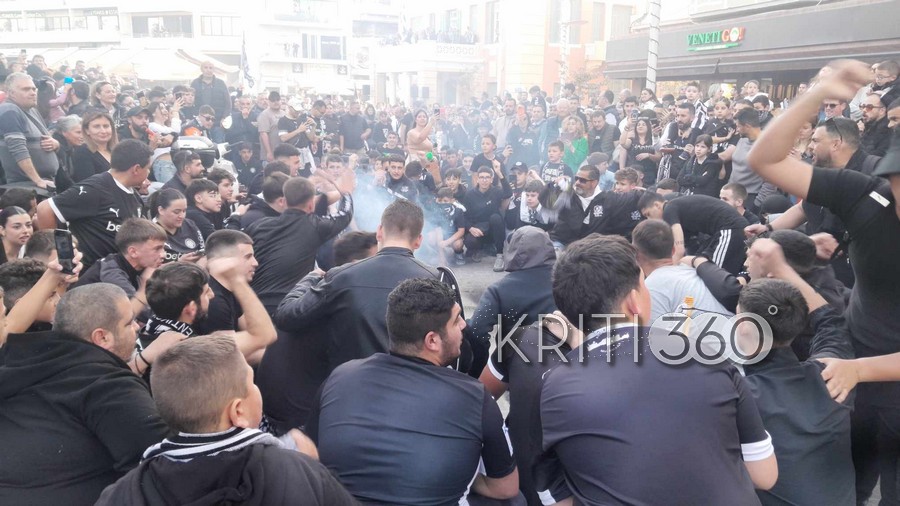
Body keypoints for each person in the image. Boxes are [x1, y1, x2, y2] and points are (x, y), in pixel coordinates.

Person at [745, 60, 900, 505]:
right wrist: (817, 94)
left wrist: (861, 370)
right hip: (851, 367)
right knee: (848, 482)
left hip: (872, 377)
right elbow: (766, 159)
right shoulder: (869, 196)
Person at [534, 235, 777, 505]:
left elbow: (556, 493)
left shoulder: (557, 384)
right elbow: (764, 475)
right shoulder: (708, 356)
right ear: (633, 302)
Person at [305, 278, 519, 505]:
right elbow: (505, 487)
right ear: (432, 340)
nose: (464, 325)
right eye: (456, 319)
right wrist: (468, 476)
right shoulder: (475, 396)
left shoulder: (340, 377)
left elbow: (308, 452)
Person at [96, 336, 356, 505]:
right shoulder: (297, 471)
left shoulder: (123, 492)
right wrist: (304, 467)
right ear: (237, 411)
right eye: (252, 382)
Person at [264, 200, 441, 432]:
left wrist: (311, 277)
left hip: (349, 396)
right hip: (412, 395)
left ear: (380, 231)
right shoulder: (435, 279)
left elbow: (287, 316)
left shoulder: (342, 277)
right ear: (419, 240)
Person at [0, 283, 168, 506]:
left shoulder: (18, 366)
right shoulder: (109, 385)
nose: (137, 327)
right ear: (102, 337)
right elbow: (166, 460)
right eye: (129, 323)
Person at [738, 238, 855, 506]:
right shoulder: (836, 375)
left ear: (743, 326)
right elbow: (830, 321)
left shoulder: (739, 397)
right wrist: (782, 269)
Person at [36, 139, 151, 269]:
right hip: (91, 273)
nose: (148, 173)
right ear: (136, 169)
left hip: (118, 272)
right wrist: (61, 258)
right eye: (148, 168)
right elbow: (45, 209)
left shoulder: (134, 195)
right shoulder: (95, 189)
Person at [247, 175, 353, 313]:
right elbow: (345, 214)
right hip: (287, 308)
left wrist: (235, 217)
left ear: (284, 201)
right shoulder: (314, 226)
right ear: (311, 205)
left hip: (252, 304)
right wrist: (346, 193)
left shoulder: (258, 226)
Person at [140, 261, 276, 366]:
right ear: (191, 308)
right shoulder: (192, 349)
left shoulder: (146, 333)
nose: (212, 295)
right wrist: (236, 280)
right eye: (206, 292)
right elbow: (264, 335)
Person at [465, 225, 556, 360]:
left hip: (516, 363)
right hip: (564, 361)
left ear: (513, 250)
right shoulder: (566, 282)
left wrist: (481, 365)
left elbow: (477, 331)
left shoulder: (499, 290)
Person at [632, 219, 731, 322]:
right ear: (673, 250)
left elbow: (653, 331)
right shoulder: (695, 271)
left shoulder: (650, 289)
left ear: (636, 254)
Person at [73, 217, 166, 320]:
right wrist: (144, 289)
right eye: (157, 249)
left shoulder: (142, 267)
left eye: (163, 248)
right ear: (133, 252)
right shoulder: (111, 273)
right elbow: (135, 315)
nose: (163, 255)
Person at [640, 192, 749, 274]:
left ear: (657, 205)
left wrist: (670, 274)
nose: (649, 220)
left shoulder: (669, 209)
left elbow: (679, 249)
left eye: (648, 214)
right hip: (727, 230)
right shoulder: (679, 209)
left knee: (714, 274)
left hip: (730, 228)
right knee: (700, 265)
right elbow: (689, 247)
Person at [0, 72, 60, 188]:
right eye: (26, 89)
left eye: (34, 89)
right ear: (11, 93)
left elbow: (46, 137)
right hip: (25, 186)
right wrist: (38, 180)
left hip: (42, 183)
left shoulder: (32, 110)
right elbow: (18, 149)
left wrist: (55, 144)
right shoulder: (9, 110)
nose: (33, 93)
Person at [193, 230, 255, 336]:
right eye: (247, 257)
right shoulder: (213, 300)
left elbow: (253, 330)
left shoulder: (230, 289)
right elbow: (227, 348)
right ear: (223, 260)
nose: (255, 263)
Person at [462, 163, 512, 267]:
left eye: (487, 177)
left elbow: (508, 193)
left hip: (493, 228)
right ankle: (479, 249)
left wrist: (499, 173)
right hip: (478, 228)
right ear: (477, 179)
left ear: (491, 179)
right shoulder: (469, 195)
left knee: (496, 218)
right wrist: (470, 228)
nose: (484, 180)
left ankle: (499, 255)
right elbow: (464, 216)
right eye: (481, 177)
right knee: (470, 241)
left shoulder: (496, 191)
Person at [148, 188, 204, 263]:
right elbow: (149, 266)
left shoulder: (190, 225)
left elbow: (203, 250)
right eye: (176, 212)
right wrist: (178, 262)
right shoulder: (149, 232)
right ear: (161, 210)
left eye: (184, 211)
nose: (182, 216)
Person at [72, 111, 117, 182]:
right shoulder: (82, 153)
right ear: (87, 130)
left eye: (106, 126)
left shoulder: (118, 151)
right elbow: (88, 182)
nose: (103, 131)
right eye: (97, 127)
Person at [257, 91, 283, 163]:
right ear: (269, 102)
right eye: (273, 100)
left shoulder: (284, 113)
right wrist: (269, 152)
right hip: (271, 155)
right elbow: (263, 134)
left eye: (277, 99)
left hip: (283, 154)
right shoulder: (264, 114)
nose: (276, 102)